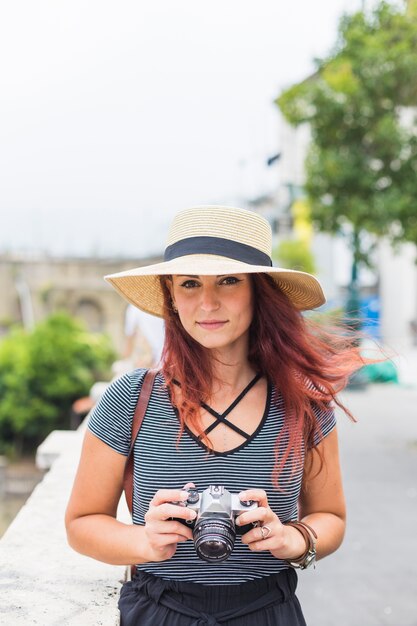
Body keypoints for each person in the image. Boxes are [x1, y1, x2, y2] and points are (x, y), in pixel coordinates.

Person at [65, 205, 364, 626]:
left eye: (228, 280)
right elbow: (81, 523)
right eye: (189, 284)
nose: (207, 302)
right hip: (159, 610)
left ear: (260, 291)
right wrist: (145, 541)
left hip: (267, 611)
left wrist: (292, 538)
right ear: (171, 295)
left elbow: (331, 517)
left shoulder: (303, 403)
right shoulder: (131, 399)